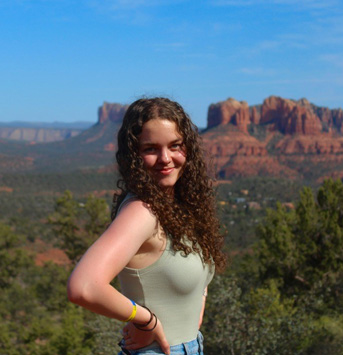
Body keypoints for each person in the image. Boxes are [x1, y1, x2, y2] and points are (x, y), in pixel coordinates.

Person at [67, 97, 226, 354]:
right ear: (134, 156)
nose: (166, 158)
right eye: (151, 149)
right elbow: (83, 287)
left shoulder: (177, 204)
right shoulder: (142, 212)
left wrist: (198, 303)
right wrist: (145, 321)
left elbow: (196, 271)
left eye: (175, 145)